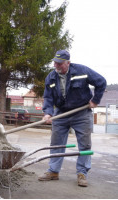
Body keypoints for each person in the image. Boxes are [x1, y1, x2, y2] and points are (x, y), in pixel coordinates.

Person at [38, 50, 106, 187]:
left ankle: (82, 173)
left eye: (60, 64)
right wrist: (48, 113)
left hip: (81, 112)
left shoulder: (82, 71)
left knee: (85, 145)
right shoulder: (51, 77)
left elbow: (101, 82)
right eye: (55, 63)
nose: (56, 66)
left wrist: (95, 100)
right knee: (56, 143)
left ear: (68, 63)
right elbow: (48, 97)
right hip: (61, 113)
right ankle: (53, 171)